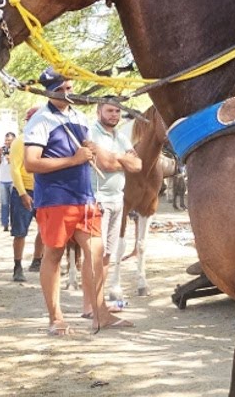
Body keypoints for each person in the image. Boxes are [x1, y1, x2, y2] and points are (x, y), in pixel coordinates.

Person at [23, 68, 132, 335]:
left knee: (96, 255)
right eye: (60, 90)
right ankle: (56, 319)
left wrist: (97, 154)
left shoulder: (81, 117)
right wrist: (73, 160)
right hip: (55, 200)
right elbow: (30, 163)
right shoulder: (40, 121)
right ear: (47, 91)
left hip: (86, 198)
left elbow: (87, 151)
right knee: (54, 255)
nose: (66, 93)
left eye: (69, 88)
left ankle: (100, 314)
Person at [85, 101, 141, 315]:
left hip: (118, 200)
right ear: (99, 111)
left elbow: (138, 165)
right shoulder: (92, 132)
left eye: (118, 111)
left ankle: (99, 301)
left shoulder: (121, 136)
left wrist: (113, 156)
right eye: (110, 110)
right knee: (94, 254)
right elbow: (104, 165)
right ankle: (90, 305)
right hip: (98, 199)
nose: (114, 114)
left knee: (108, 253)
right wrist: (123, 159)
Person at [9, 108, 44, 282]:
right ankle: (17, 266)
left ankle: (38, 260)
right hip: (24, 191)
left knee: (45, 229)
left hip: (43, 191)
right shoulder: (20, 142)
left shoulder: (46, 140)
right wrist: (22, 193)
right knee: (20, 232)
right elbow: (14, 169)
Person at [0, 132, 15, 231]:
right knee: (4, 204)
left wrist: (9, 156)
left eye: (9, 141)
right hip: (2, 181)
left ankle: (14, 223)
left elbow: (15, 163)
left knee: (14, 204)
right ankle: (5, 224)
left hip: (13, 181)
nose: (7, 142)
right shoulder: (1, 150)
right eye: (6, 140)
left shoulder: (17, 150)